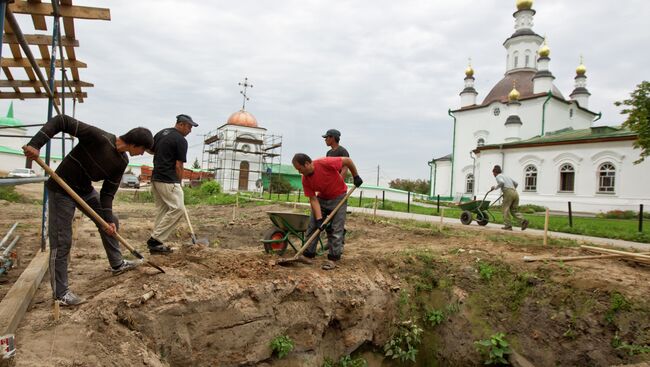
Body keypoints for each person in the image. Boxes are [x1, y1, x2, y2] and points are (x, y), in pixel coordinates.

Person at [23, 115, 154, 306]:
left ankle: (117, 263)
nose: (142, 154)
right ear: (135, 144)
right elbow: (61, 121)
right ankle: (61, 294)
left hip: (84, 190)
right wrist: (36, 144)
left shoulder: (122, 162)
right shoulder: (99, 137)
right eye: (143, 150)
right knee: (62, 240)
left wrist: (107, 220)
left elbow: (108, 193)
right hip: (62, 189)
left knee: (112, 221)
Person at [292, 153, 363, 270]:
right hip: (322, 198)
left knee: (336, 228)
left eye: (300, 169)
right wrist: (319, 219)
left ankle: (333, 258)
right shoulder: (305, 179)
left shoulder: (325, 162)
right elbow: (313, 199)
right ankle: (308, 255)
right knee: (313, 225)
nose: (299, 172)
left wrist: (356, 176)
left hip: (339, 196)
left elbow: (348, 161)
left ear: (307, 164)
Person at [146, 114, 198, 254]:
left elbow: (150, 150)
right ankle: (155, 239)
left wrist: (162, 154)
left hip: (156, 178)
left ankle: (156, 246)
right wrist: (179, 183)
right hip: (168, 179)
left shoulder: (162, 133)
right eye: (189, 127)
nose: (190, 130)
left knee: (163, 210)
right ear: (180, 124)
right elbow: (179, 164)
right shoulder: (180, 140)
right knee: (178, 209)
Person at [490, 165, 529, 231]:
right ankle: (523, 221)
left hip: (509, 193)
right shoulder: (506, 176)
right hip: (515, 193)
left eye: (493, 173)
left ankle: (508, 226)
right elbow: (516, 184)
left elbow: (502, 182)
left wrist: (495, 188)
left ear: (495, 172)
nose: (493, 174)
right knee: (514, 210)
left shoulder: (498, 176)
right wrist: (511, 190)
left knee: (505, 209)